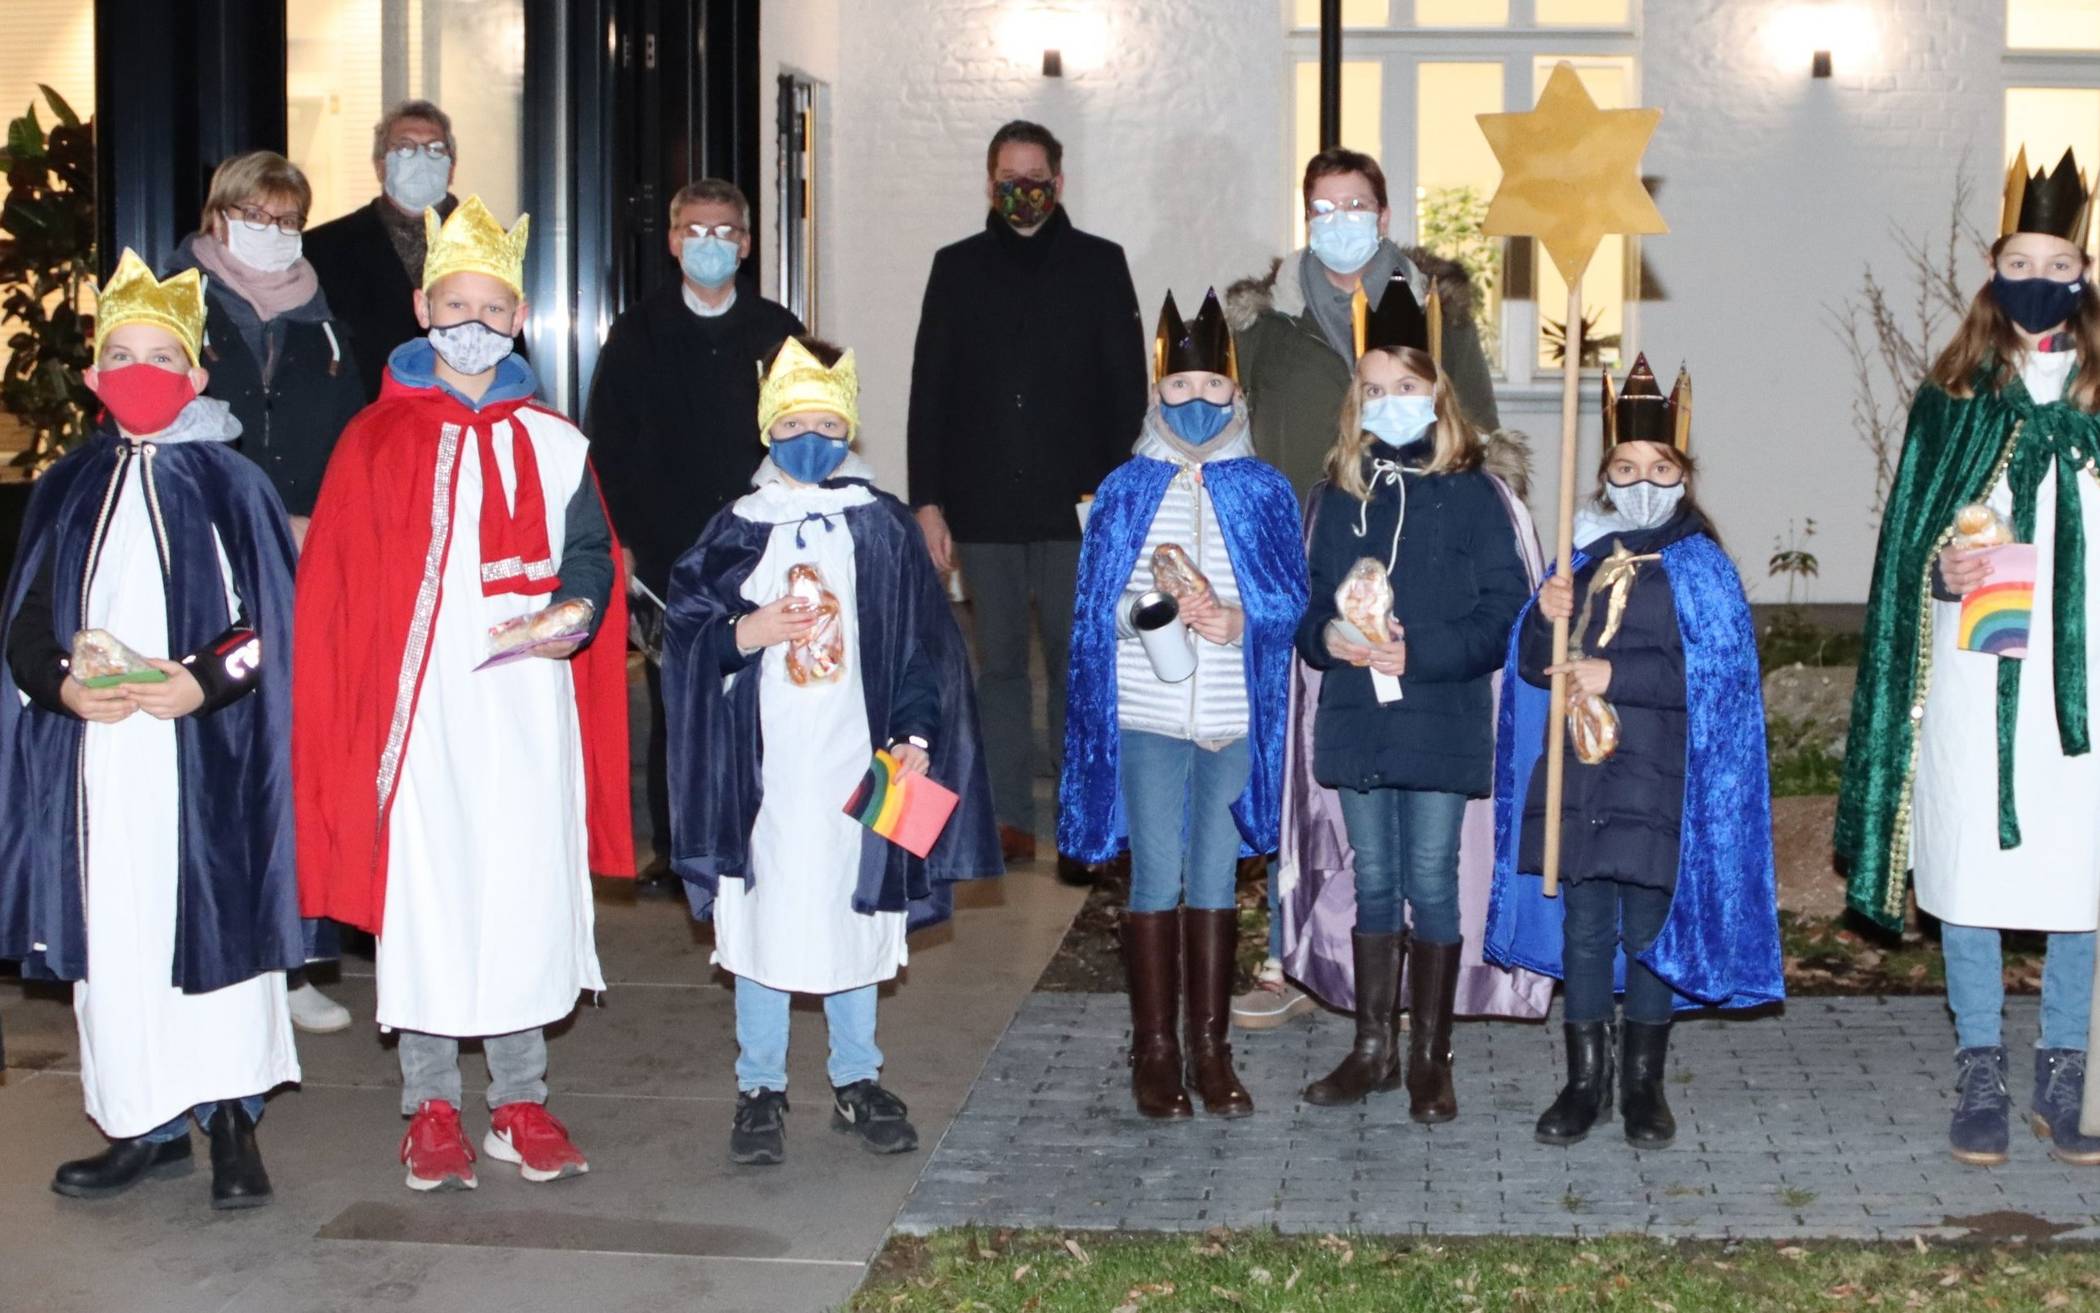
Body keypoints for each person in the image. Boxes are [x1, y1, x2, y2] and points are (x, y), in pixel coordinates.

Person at [294, 197, 634, 1192]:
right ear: (420, 307)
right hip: (422, 720)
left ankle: (519, 1100)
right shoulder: (375, 438)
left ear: (519, 317)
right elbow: (342, 597)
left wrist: (575, 607)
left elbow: (588, 558)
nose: (473, 324)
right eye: (456, 305)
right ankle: (431, 1103)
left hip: (527, 713)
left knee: (523, 892)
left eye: (493, 308)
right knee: (433, 899)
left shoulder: (556, 441)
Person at [0, 250, 300, 1209]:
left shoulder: (232, 484)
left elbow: (275, 631)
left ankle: (231, 1124)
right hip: (97, 762)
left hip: (204, 754)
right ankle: (140, 1121)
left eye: (159, 356)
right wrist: (59, 685)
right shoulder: (67, 487)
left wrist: (203, 681)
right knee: (118, 942)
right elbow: (26, 624)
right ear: (91, 376)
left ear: (196, 374)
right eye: (119, 354)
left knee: (210, 930)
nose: (140, 372)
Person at [664, 335, 1000, 1166]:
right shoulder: (736, 529)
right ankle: (760, 1085)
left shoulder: (879, 525)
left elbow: (925, 643)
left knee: (857, 913)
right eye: (794, 421)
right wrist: (750, 630)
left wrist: (916, 734)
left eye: (826, 421)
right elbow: (684, 636)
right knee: (768, 918)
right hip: (766, 771)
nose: (809, 436)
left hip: (859, 759)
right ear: (767, 429)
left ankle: (857, 1077)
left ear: (848, 428)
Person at [1839, 147, 2100, 1168]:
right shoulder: (1952, 395)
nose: (2042, 275)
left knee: (2082, 868)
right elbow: (1909, 545)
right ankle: (1983, 1061)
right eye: (2024, 256)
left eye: (2062, 258)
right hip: (1979, 664)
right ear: (1995, 266)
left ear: (2085, 270)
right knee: (1978, 862)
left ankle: (2066, 1063)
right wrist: (1940, 575)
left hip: (2085, 681)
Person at [1227, 146, 1503, 1028]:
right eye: (1323, 205)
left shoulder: (1435, 309)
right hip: (1298, 544)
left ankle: (1419, 1020)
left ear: (1383, 215)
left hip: (1416, 550)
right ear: (1305, 215)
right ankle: (1292, 950)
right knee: (1297, 755)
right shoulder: (1265, 320)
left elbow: (1480, 423)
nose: (1339, 218)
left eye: (1356, 204)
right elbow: (1222, 423)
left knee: (1413, 824)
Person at [1487, 358, 1782, 1150]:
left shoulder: (1701, 565)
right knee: (1585, 924)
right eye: (1625, 468)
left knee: (1650, 927)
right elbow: (1529, 668)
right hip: (1582, 778)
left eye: (1659, 469)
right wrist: (1541, 615)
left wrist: (1619, 671)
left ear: (1684, 476)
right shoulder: (1578, 561)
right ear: (1604, 476)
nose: (1641, 482)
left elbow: (1717, 674)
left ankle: (1643, 1083)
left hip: (1661, 778)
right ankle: (1585, 1079)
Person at [1274, 274, 1556, 1033]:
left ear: (1436, 393)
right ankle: (1373, 1046)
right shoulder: (1335, 495)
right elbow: (1307, 608)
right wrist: (1326, 639)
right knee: (1374, 879)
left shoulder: (1477, 496)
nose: (1387, 399)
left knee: (1431, 877)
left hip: (1442, 714)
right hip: (1358, 718)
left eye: (1405, 383)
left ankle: (1431, 1056)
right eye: (1373, 388)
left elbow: (1506, 615)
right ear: (1354, 403)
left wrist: (1420, 653)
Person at [1059, 290, 1308, 1119]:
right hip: (1148, 714)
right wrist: (1151, 611)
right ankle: (1155, 1046)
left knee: (1215, 874)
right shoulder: (1126, 489)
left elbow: (1289, 603)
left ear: (1237, 397)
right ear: (1154, 393)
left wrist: (1238, 619)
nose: (1196, 402)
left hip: (1232, 714)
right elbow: (1097, 608)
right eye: (1179, 388)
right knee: (1156, 872)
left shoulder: (1266, 491)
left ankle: (1211, 1044)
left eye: (1212, 388)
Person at [906, 119, 1148, 877]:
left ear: (1060, 181)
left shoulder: (1101, 265)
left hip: (1078, 509)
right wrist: (928, 502)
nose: (1022, 189)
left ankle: (1084, 826)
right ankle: (1009, 818)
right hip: (982, 509)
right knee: (1000, 668)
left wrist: (1122, 501)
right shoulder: (956, 268)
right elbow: (930, 390)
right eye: (1008, 176)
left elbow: (1126, 391)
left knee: (1081, 666)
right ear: (989, 183)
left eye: (1035, 175)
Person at [166, 149, 364, 1035]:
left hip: (305, 560)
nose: (273, 233)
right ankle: (210, 946)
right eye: (257, 214)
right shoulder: (177, 305)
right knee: (216, 753)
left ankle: (289, 959)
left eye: (288, 220)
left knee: (294, 754)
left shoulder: (325, 318)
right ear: (218, 217)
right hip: (209, 555)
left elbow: (354, 435)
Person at [587, 178, 805, 881]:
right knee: (677, 694)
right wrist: (617, 541)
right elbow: (609, 442)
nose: (709, 244)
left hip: (760, 542)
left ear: (744, 245)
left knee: (766, 688)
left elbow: (805, 431)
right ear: (675, 241)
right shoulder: (637, 331)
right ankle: (679, 845)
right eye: (695, 231)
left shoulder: (778, 330)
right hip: (666, 548)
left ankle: (763, 830)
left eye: (724, 232)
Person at [305, 99, 463, 404]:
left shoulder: (491, 246)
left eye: (435, 149)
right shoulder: (323, 250)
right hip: (365, 421)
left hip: (466, 423)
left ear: (452, 167)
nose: (420, 158)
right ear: (380, 165)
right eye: (404, 147)